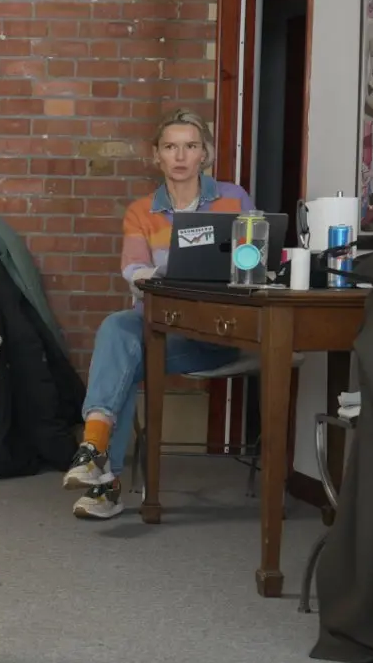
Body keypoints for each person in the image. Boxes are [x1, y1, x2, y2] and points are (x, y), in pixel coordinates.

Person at [63, 110, 253, 520]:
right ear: (157, 156)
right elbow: (135, 275)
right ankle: (97, 458)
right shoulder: (140, 211)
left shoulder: (234, 200)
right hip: (159, 327)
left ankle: (103, 478)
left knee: (125, 354)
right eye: (170, 147)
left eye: (191, 146)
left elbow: (253, 261)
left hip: (217, 332)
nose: (180, 155)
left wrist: (179, 268)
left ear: (205, 154)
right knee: (120, 329)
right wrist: (174, 270)